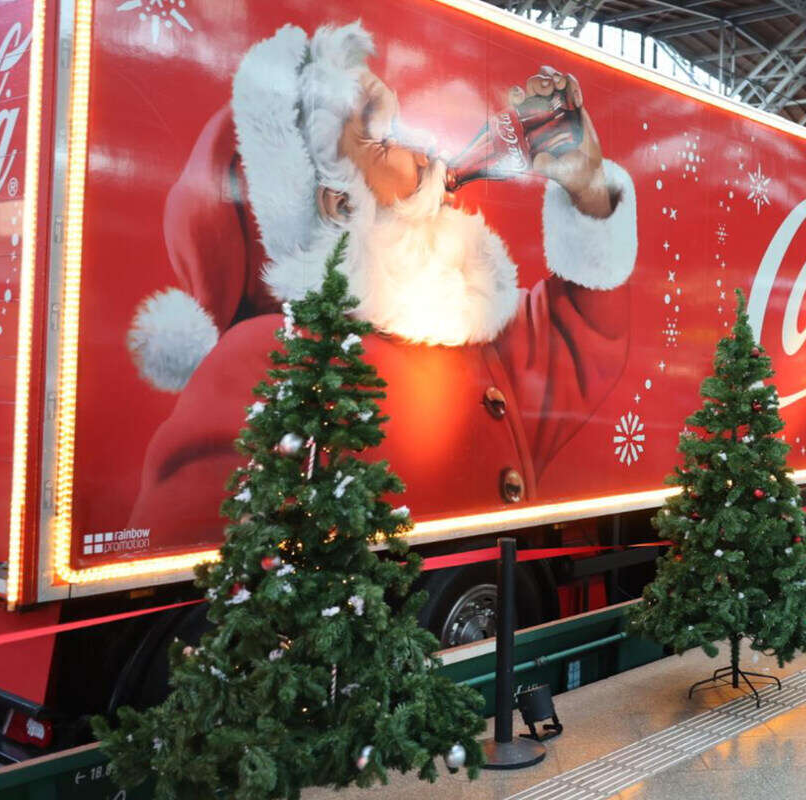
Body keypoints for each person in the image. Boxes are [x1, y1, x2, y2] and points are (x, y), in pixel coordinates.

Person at [124, 21, 639, 541]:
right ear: (340, 200)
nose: (424, 156)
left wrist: (588, 186)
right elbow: (207, 552)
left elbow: (578, 338)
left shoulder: (465, 327)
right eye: (385, 141)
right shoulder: (264, 359)